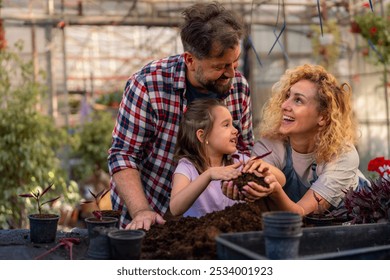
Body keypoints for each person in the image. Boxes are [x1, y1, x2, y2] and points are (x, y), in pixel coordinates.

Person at [107, 2, 254, 230]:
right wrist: (141, 210)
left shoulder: (239, 87)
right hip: (150, 212)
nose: (231, 74)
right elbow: (123, 155)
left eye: (234, 63)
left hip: (208, 221)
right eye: (220, 66)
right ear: (190, 60)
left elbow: (243, 148)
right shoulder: (148, 85)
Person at [225, 64, 369, 216]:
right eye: (287, 96)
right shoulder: (270, 145)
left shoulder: (342, 155)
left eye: (298, 100)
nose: (284, 105)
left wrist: (275, 191)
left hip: (357, 225)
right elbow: (264, 198)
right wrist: (248, 185)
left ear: (323, 117)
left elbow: (301, 213)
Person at [169, 99, 285, 218]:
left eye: (233, 124)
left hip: (235, 232)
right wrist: (208, 175)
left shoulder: (239, 161)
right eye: (226, 125)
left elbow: (281, 180)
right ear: (202, 136)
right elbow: (175, 208)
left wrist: (263, 168)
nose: (235, 131)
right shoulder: (187, 167)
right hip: (201, 233)